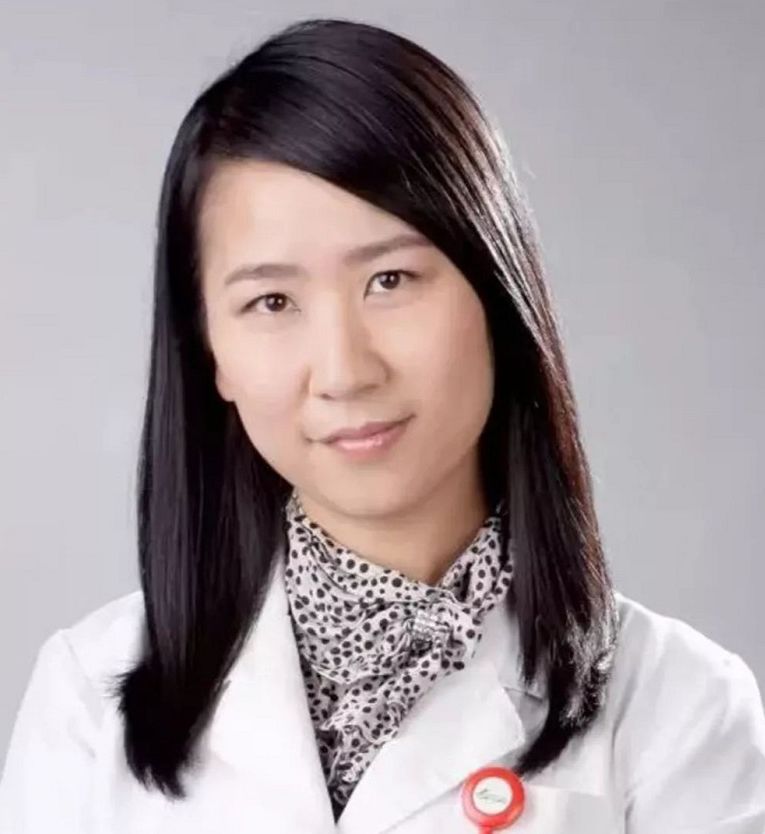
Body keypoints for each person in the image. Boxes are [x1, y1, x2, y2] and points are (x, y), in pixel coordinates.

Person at [1, 16, 764, 834]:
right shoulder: (89, 699)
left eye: (390, 280)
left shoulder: (677, 711)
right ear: (209, 353)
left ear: (496, 291)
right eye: (271, 301)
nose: (344, 370)